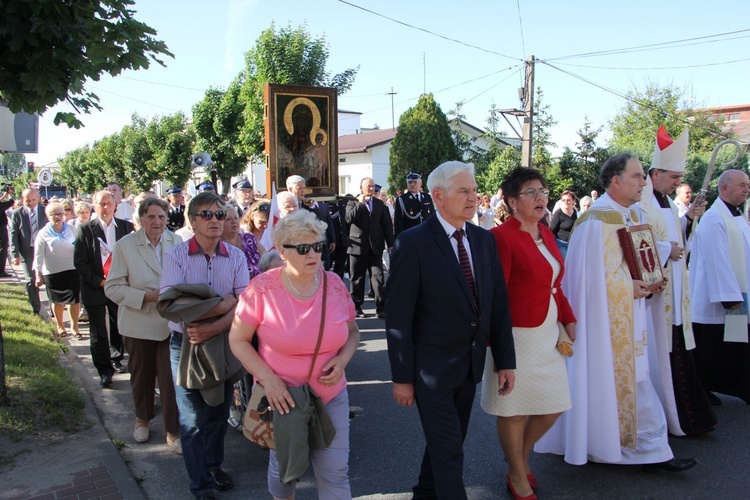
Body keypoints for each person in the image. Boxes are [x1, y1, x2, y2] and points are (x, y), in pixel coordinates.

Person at [536, 153, 696, 472]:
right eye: (637, 176)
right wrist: (632, 286)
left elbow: (637, 259)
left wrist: (652, 278)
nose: (644, 182)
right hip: (604, 324)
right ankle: (636, 450)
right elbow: (590, 279)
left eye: (643, 176)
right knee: (624, 382)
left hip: (632, 315)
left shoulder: (632, 213)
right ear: (616, 181)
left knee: (636, 379)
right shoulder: (596, 220)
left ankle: (635, 447)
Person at [386, 161, 516, 500]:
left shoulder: (483, 240)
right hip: (430, 370)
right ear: (438, 196)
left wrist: (505, 361)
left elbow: (497, 305)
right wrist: (401, 377)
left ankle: (424, 494)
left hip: (468, 367)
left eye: (474, 190)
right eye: (464, 191)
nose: (473, 197)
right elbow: (398, 318)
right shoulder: (412, 243)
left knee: (449, 442)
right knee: (449, 451)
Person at [229, 210, 360, 500]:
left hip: (330, 394)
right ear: (282, 251)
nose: (313, 254)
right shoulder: (262, 288)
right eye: (303, 248)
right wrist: (268, 380)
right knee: (284, 473)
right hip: (283, 397)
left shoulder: (335, 284)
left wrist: (343, 360)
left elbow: (353, 333)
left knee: (335, 472)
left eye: (317, 246)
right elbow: (237, 340)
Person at [483, 168, 575, 499]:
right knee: (514, 409)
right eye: (530, 193)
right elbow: (495, 295)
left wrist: (569, 318)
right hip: (516, 336)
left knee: (553, 404)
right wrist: (497, 345)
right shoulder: (501, 237)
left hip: (547, 333)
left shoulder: (546, 233)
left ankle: (518, 461)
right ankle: (518, 475)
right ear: (511, 201)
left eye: (542, 191)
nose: (540, 198)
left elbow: (555, 285)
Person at [160, 191, 250, 499]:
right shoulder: (176, 256)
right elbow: (171, 306)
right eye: (207, 215)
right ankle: (201, 485)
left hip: (223, 341)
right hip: (183, 345)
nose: (215, 220)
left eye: (220, 215)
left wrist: (215, 323)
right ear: (192, 220)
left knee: (218, 412)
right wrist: (222, 304)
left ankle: (213, 465)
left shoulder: (236, 256)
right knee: (193, 419)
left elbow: (245, 305)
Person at [640, 126, 716, 435]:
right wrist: (664, 249)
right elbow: (637, 241)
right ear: (655, 173)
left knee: (678, 354)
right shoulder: (641, 200)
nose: (677, 183)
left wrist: (687, 219)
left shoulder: (667, 201)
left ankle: (686, 416)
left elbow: (673, 236)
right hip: (656, 295)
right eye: (673, 177)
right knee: (662, 355)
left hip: (674, 289)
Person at [104, 197, 182, 452]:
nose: (157, 222)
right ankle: (142, 419)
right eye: (152, 217)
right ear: (141, 219)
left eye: (161, 217)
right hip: (138, 323)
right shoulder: (125, 245)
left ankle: (173, 429)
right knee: (142, 375)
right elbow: (113, 287)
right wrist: (145, 296)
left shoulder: (177, 241)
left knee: (171, 378)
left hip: (169, 323)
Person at [690, 169, 750, 406]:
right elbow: (718, 260)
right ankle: (704, 389)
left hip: (737, 293)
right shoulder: (715, 218)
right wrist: (730, 298)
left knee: (735, 349)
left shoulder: (736, 216)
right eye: (742, 184)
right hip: (718, 299)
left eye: (748, 184)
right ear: (724, 188)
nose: (747, 188)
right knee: (712, 348)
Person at [74, 190, 134, 387]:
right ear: (94, 205)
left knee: (120, 325)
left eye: (109, 203)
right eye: (101, 204)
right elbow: (80, 263)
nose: (106, 207)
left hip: (119, 286)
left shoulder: (126, 227)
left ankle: (116, 359)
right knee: (98, 330)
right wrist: (100, 281)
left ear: (115, 205)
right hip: (95, 286)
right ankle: (103, 370)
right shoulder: (85, 229)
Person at [346, 177, 394, 319]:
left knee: (378, 277)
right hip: (357, 247)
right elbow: (349, 219)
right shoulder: (352, 203)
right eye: (368, 186)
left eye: (373, 186)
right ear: (361, 188)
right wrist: (360, 204)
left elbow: (386, 225)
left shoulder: (379, 204)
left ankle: (381, 308)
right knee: (357, 279)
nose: (371, 189)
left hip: (375, 247)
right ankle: (356, 306)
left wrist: (390, 244)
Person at [33, 201, 81, 339]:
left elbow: (81, 247)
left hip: (72, 270)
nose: (57, 217)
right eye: (53, 214)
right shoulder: (43, 233)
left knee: (74, 299)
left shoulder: (72, 229)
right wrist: (38, 274)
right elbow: (38, 255)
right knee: (57, 301)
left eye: (60, 213)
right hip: (52, 272)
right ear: (48, 216)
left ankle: (74, 326)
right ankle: (60, 326)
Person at [10, 188, 48, 315]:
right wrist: (15, 255)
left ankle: (54, 307)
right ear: (22, 199)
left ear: (38, 198)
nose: (31, 203)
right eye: (28, 200)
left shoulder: (45, 211)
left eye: (33, 200)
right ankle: (36, 308)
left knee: (47, 278)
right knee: (30, 281)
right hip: (27, 251)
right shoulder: (17, 213)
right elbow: (14, 234)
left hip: (45, 250)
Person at [287, 175, 336, 269]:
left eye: (304, 188)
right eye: (299, 188)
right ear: (290, 189)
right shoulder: (283, 203)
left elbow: (322, 220)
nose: (303, 191)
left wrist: (311, 207)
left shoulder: (306, 204)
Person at [222, 206, 263, 280]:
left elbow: (267, 258)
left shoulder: (249, 238)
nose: (234, 222)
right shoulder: (218, 245)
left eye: (235, 218)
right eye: (228, 219)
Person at [393, 172, 434, 236]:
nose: (412, 184)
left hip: (427, 236)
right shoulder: (402, 200)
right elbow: (398, 223)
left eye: (415, 182)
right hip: (411, 237)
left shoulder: (427, 197)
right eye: (410, 182)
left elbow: (432, 216)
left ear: (420, 183)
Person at [549, 190, 577, 259]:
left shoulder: (575, 213)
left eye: (568, 200)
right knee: (566, 264)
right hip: (562, 244)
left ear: (573, 201)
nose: (566, 202)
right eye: (563, 200)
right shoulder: (558, 213)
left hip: (573, 244)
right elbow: (551, 231)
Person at [0, 187, 16, 277]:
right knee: (3, 248)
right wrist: (9, 193)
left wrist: (4, 195)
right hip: (1, 227)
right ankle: (1, 271)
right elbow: (11, 202)